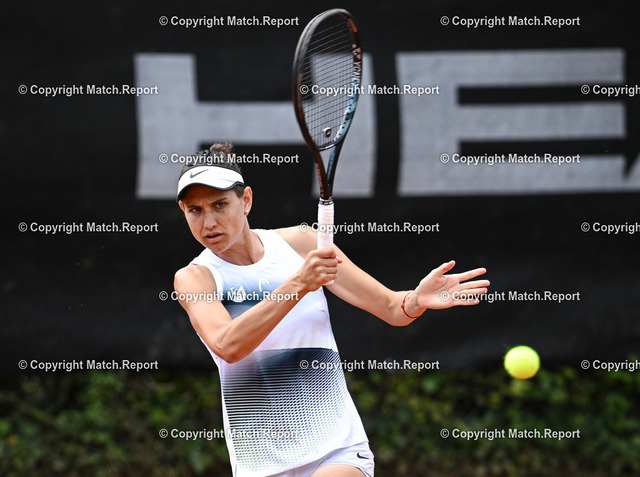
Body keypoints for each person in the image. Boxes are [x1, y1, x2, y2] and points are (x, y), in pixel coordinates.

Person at [174, 143, 490, 477]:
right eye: (195, 210)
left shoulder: (302, 244)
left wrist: (415, 301)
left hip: (336, 449)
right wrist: (299, 284)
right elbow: (228, 345)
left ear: (246, 200)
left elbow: (391, 307)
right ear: (183, 211)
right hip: (260, 463)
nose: (209, 222)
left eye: (220, 205)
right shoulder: (195, 279)